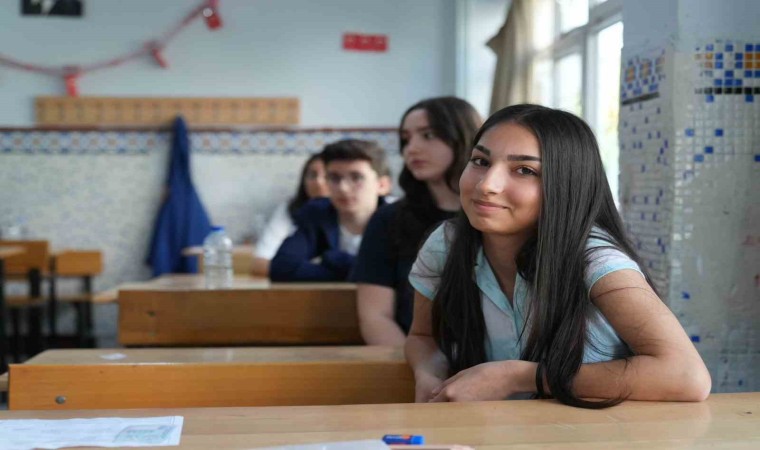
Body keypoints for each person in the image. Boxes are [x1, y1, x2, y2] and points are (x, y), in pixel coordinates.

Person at [405, 104, 711, 407]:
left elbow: (687, 375)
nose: (487, 185)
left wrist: (523, 376)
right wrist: (428, 374)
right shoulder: (447, 243)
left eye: (525, 170)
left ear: (565, 185)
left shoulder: (595, 259)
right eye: (481, 161)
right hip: (502, 430)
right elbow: (423, 337)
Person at [351, 97, 482, 345]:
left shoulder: (494, 213)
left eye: (428, 135)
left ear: (463, 137)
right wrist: (417, 363)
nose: (411, 149)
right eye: (406, 139)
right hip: (410, 357)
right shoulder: (388, 219)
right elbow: (375, 316)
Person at [269, 139, 392, 282]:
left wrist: (334, 259)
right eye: (334, 178)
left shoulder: (397, 219)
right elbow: (282, 268)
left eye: (356, 177)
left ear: (382, 185)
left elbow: (402, 274)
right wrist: (357, 272)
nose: (343, 188)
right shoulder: (316, 213)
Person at [251, 153, 329, 277]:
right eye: (312, 175)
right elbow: (261, 263)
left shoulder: (350, 216)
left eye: (328, 176)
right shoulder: (292, 211)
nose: (319, 182)